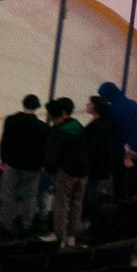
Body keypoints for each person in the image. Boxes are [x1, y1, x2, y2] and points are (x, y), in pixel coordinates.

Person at [43, 97, 90, 248]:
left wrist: (52, 170)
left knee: (62, 205)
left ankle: (59, 237)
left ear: (61, 114)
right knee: (77, 205)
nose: (53, 120)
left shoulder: (58, 132)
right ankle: (72, 236)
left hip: (67, 174)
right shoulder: (79, 127)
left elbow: (51, 157)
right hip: (83, 173)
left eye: (54, 117)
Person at [0, 94, 46, 229]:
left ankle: (8, 224)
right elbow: (43, 149)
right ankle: (26, 224)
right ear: (37, 107)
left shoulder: (11, 120)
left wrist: (4, 159)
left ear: (23, 103)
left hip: (12, 164)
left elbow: (5, 141)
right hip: (32, 167)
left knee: (9, 195)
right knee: (30, 197)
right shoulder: (41, 127)